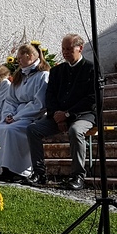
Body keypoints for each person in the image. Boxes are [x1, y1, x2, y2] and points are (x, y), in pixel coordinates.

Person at [27, 34, 97, 190]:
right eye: (63, 49)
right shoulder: (57, 71)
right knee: (33, 129)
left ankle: (78, 176)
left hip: (83, 115)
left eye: (69, 49)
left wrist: (67, 115)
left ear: (80, 48)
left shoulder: (91, 69)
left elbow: (92, 98)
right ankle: (39, 173)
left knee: (76, 130)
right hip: (58, 116)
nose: (65, 52)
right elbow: (50, 96)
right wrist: (57, 115)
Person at [0, 43, 49, 183]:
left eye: (20, 58)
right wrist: (8, 115)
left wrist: (17, 117)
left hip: (32, 116)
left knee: (11, 130)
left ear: (30, 56)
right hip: (15, 115)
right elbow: (10, 100)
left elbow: (39, 104)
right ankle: (4, 169)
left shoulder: (43, 75)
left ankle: (18, 171)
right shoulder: (20, 76)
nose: (18, 61)